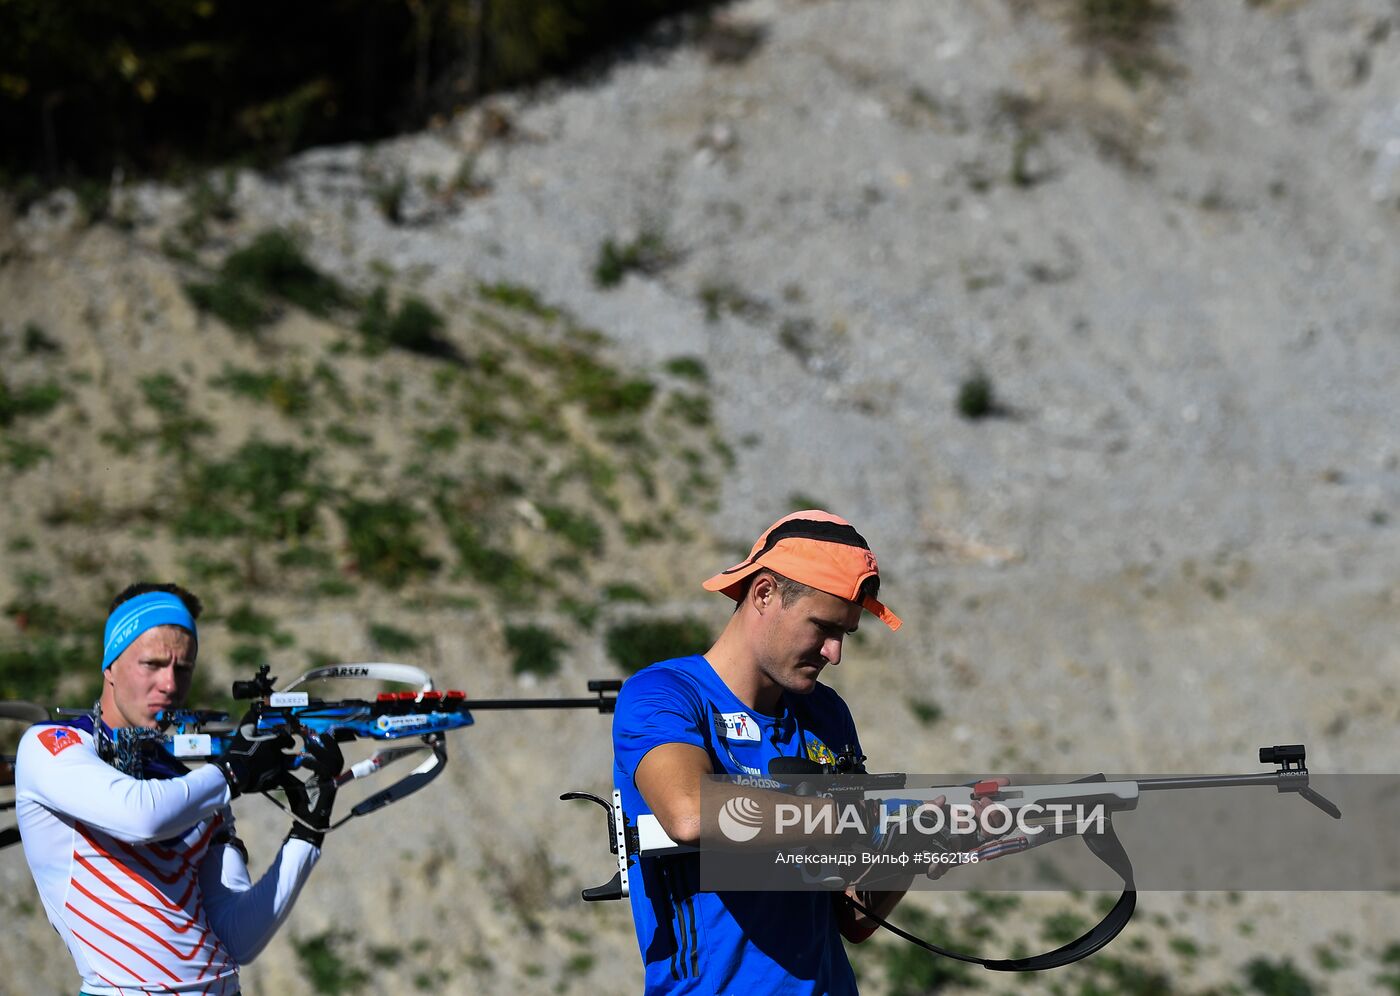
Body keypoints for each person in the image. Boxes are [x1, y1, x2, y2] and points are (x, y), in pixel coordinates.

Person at [612, 509, 912, 994]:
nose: (835, 653)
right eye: (823, 627)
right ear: (765, 593)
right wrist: (858, 818)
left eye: (845, 634)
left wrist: (915, 845)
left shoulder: (826, 713)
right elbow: (688, 813)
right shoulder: (664, 694)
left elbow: (854, 918)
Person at [14, 582, 341, 996]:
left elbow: (237, 940)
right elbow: (141, 817)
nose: (170, 684)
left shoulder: (187, 783)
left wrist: (307, 834)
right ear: (110, 666)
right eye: (152, 664)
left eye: (183, 668)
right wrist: (232, 774)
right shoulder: (52, 745)